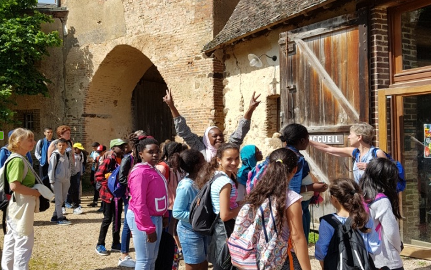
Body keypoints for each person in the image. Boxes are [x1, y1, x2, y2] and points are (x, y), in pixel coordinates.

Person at [246, 148, 311, 270]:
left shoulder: (257, 193)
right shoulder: (291, 199)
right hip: (282, 258)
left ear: (269, 167)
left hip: (257, 255)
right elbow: (297, 237)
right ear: (295, 170)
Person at [163, 88, 261, 162]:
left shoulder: (227, 148)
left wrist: (250, 109)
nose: (219, 138)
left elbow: (241, 131)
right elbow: (183, 131)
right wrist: (171, 106)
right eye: (214, 136)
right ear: (207, 139)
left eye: (221, 135)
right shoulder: (200, 149)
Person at [194, 143, 242, 270]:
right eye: (229, 159)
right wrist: (244, 206)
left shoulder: (217, 176)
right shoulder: (225, 182)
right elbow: (225, 215)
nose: (234, 162)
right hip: (224, 230)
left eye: (236, 158)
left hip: (218, 229)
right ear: (219, 160)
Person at [315, 178, 380, 269]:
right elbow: (374, 248)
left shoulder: (327, 222)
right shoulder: (364, 218)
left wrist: (323, 265)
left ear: (334, 198)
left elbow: (321, 250)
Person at [279, 123, 328, 243]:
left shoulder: (282, 154)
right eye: (307, 139)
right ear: (302, 140)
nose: (308, 141)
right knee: (300, 239)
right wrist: (312, 187)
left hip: (299, 206)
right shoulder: (296, 159)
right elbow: (292, 190)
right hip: (297, 206)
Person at [126, 136, 169, 269]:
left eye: (157, 151)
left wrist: (165, 214)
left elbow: (160, 194)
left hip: (155, 217)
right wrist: (148, 228)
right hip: (143, 219)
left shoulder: (152, 169)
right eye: (151, 152)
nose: (155, 155)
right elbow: (139, 203)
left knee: (152, 259)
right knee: (144, 260)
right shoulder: (140, 173)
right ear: (141, 154)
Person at [1, 128, 41, 270]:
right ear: (18, 142)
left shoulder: (18, 158)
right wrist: (35, 192)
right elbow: (14, 186)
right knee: (24, 240)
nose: (33, 142)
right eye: (29, 140)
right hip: (21, 205)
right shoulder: (17, 160)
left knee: (12, 239)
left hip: (18, 205)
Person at [360, 158, 404, 270]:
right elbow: (391, 231)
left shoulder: (361, 196)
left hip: (366, 255)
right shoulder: (381, 201)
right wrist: (398, 247)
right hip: (386, 258)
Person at [309, 122, 386, 183]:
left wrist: (371, 168)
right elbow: (328, 149)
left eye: (350, 134)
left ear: (359, 137)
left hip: (377, 198)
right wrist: (307, 140)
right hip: (362, 197)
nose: (348, 137)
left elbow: (389, 173)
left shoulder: (377, 153)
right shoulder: (355, 152)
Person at [172, 149, 207, 270]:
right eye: (203, 161)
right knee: (193, 264)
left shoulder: (200, 181)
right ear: (197, 165)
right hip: (189, 231)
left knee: (203, 262)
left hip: (202, 229)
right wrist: (198, 217)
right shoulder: (186, 186)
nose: (206, 163)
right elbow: (177, 212)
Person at [117, 131, 145, 268]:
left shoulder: (142, 158)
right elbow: (121, 178)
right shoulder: (128, 159)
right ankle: (124, 254)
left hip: (141, 195)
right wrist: (134, 187)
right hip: (130, 196)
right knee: (128, 224)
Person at [95, 138, 127, 256]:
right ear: (113, 148)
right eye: (120, 146)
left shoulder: (124, 160)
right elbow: (98, 175)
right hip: (108, 195)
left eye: (124, 146)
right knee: (107, 219)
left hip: (118, 195)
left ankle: (115, 243)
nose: (123, 148)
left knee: (117, 219)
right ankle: (100, 244)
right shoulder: (108, 160)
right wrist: (109, 185)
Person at [156, 141, 185, 258]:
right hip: (167, 205)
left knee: (173, 229)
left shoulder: (176, 167)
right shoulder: (163, 167)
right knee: (167, 232)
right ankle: (164, 254)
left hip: (176, 204)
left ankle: (175, 249)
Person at [48, 138, 72, 225]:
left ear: (66, 146)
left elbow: (69, 166)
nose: (61, 147)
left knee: (62, 199)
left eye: (63, 145)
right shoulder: (55, 155)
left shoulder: (67, 154)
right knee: (58, 199)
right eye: (59, 145)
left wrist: (68, 177)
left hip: (66, 180)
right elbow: (51, 168)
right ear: (57, 146)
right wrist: (51, 180)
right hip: (56, 180)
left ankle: (55, 216)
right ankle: (60, 218)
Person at [65, 142, 85, 215]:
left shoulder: (81, 154)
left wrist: (81, 173)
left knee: (76, 189)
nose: (80, 151)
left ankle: (75, 202)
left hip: (77, 172)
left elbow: (81, 164)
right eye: (79, 149)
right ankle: (67, 202)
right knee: (68, 188)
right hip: (70, 173)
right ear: (75, 149)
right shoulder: (70, 155)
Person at [88, 142, 100, 207]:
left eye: (95, 147)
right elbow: (90, 158)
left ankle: (95, 200)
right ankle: (97, 195)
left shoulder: (100, 153)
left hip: (98, 170)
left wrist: (95, 161)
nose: (94, 149)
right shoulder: (93, 152)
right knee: (92, 181)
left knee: (96, 184)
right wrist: (91, 160)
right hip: (93, 169)